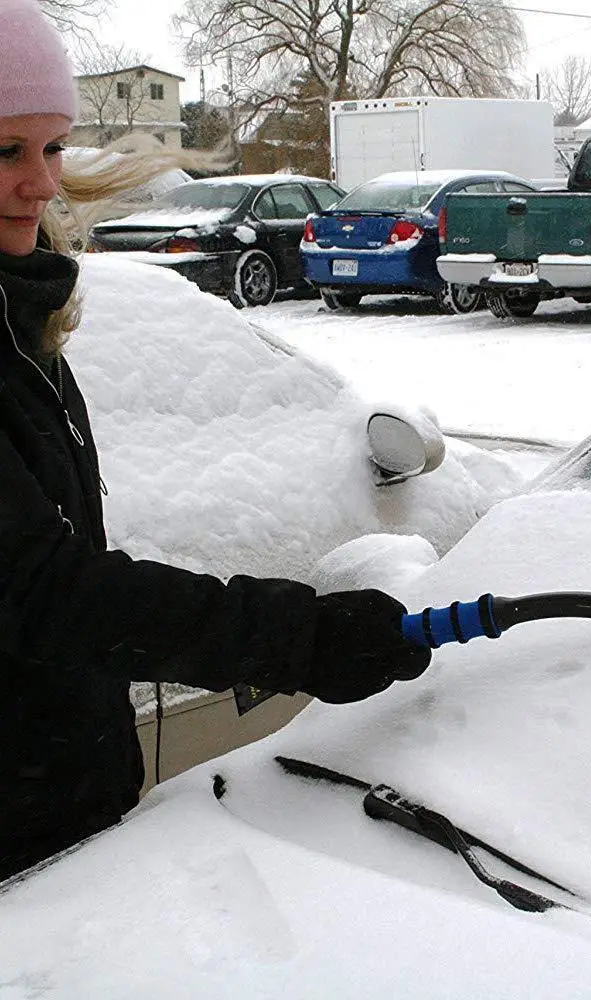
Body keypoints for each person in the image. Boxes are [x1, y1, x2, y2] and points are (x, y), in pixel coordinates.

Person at [0, 0, 431, 882]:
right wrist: (293, 637)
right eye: (6, 151)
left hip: (54, 814)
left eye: (51, 149)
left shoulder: (22, 320)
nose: (41, 185)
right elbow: (38, 591)